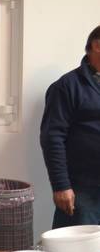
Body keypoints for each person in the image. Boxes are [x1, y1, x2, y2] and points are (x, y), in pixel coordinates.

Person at [40, 25, 100, 228]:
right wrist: (61, 185)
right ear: (97, 46)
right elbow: (52, 138)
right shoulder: (67, 87)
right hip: (83, 192)